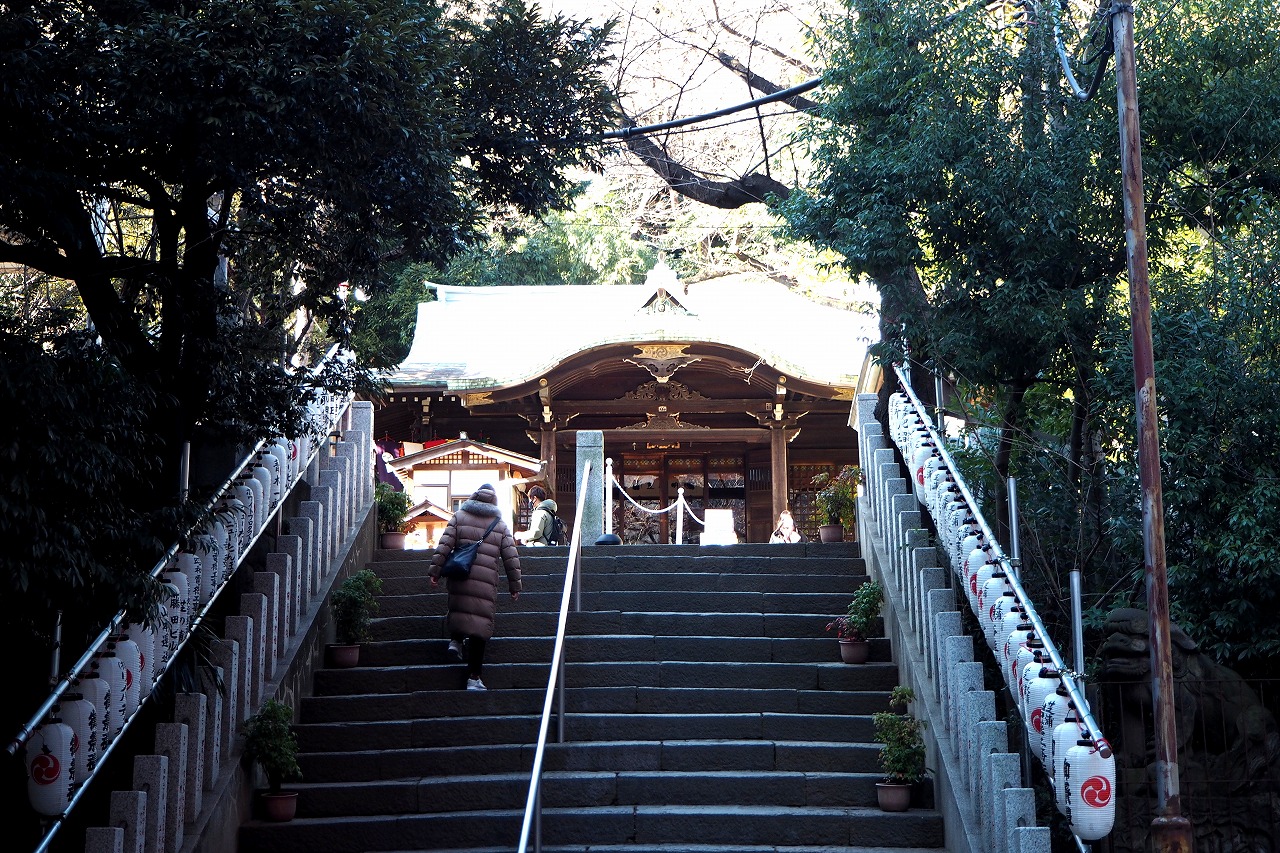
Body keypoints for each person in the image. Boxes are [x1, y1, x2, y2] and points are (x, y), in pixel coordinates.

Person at [428, 484, 521, 690]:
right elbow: (511, 558)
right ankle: (474, 678)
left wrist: (435, 571)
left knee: (459, 609)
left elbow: (444, 545)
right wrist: (515, 585)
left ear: (474, 497)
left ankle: (456, 640)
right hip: (485, 584)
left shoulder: (459, 517)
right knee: (479, 628)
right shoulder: (499, 525)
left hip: (460, 575)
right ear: (494, 501)